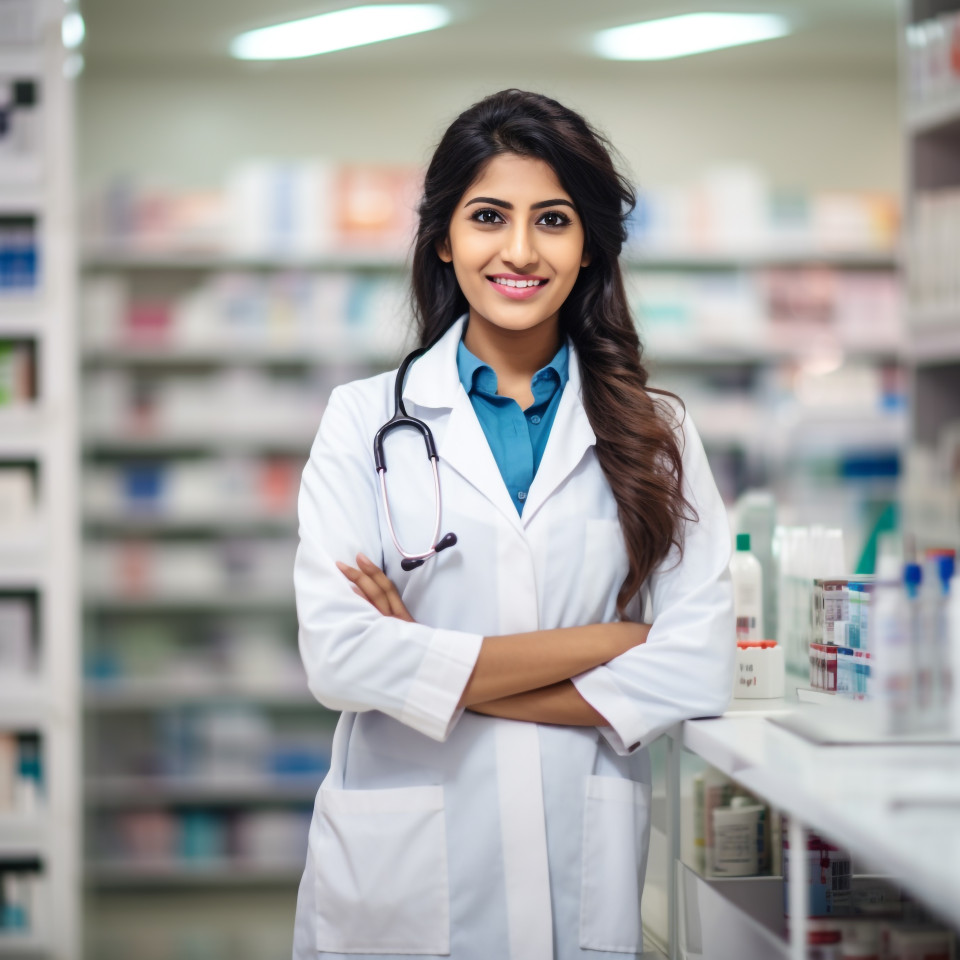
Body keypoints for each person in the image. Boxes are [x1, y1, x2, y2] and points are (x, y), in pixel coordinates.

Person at [292, 89, 735, 960]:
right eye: (489, 216)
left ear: (589, 244)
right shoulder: (363, 420)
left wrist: (430, 669)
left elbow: (696, 666)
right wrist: (611, 641)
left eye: (554, 220)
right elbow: (340, 658)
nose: (521, 251)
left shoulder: (657, 433)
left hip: (580, 850)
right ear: (444, 238)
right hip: (404, 873)